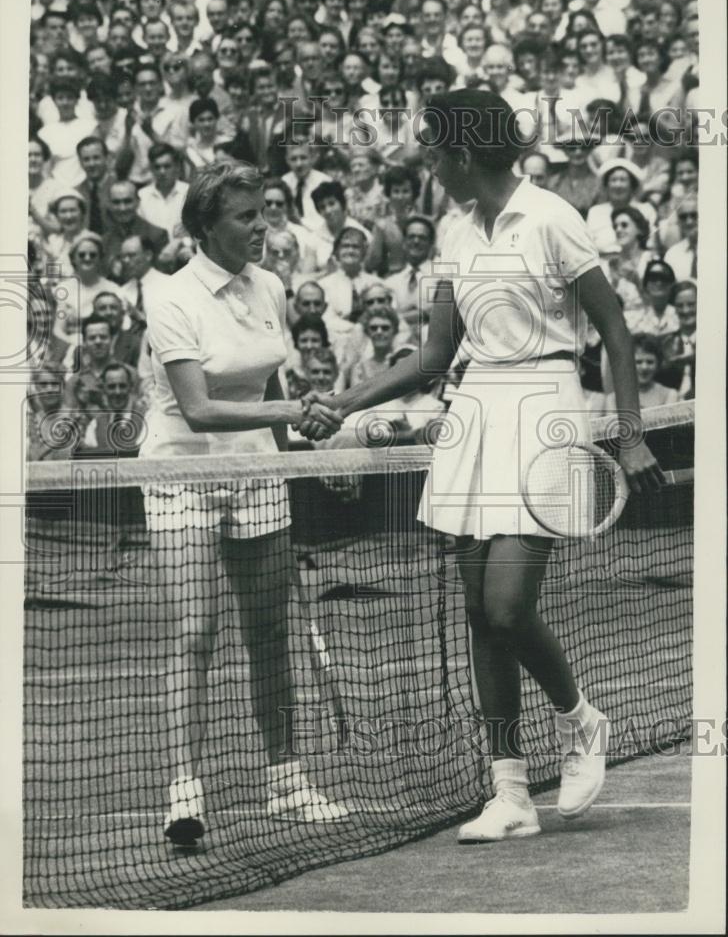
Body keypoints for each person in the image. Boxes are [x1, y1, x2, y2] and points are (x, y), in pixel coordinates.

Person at [300, 89, 664, 842]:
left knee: (506, 605)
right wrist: (346, 401)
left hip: (545, 410)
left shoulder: (554, 217)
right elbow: (435, 356)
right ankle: (509, 792)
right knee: (478, 614)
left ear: (462, 155)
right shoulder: (456, 235)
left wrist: (629, 436)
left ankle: (580, 719)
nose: (429, 168)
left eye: (433, 154)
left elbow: (616, 334)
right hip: (474, 415)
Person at [139, 161, 348, 846]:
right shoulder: (168, 295)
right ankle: (184, 790)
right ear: (204, 226)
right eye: (244, 216)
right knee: (196, 632)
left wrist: (302, 450)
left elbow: (269, 377)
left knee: (268, 635)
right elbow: (198, 409)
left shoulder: (272, 286)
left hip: (258, 472)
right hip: (183, 474)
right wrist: (293, 409)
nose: (261, 226)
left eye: (263, 211)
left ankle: (286, 780)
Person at [604, 334, 678, 412]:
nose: (644, 367)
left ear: (658, 364)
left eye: (650, 362)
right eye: (638, 362)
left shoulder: (669, 395)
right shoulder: (613, 399)